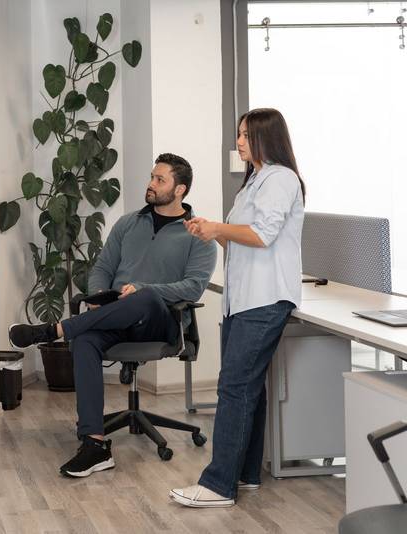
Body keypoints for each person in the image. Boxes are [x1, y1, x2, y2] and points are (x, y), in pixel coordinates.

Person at [8, 153, 217, 477]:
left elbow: (193, 288)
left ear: (180, 190)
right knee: (87, 340)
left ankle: (54, 330)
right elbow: (103, 268)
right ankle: (94, 444)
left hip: (160, 323)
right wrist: (97, 297)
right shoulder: (128, 223)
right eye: (151, 176)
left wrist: (144, 289)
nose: (151, 184)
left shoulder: (198, 235)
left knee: (145, 296)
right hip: (114, 316)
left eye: (160, 179)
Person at [170, 108, 305, 507]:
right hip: (244, 298)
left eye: (245, 135)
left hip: (264, 298)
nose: (239, 141)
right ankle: (245, 474)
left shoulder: (280, 179)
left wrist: (217, 228)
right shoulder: (253, 184)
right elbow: (243, 241)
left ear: (266, 137)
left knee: (233, 388)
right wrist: (212, 231)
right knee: (250, 390)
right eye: (239, 134)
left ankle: (217, 486)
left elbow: (263, 236)